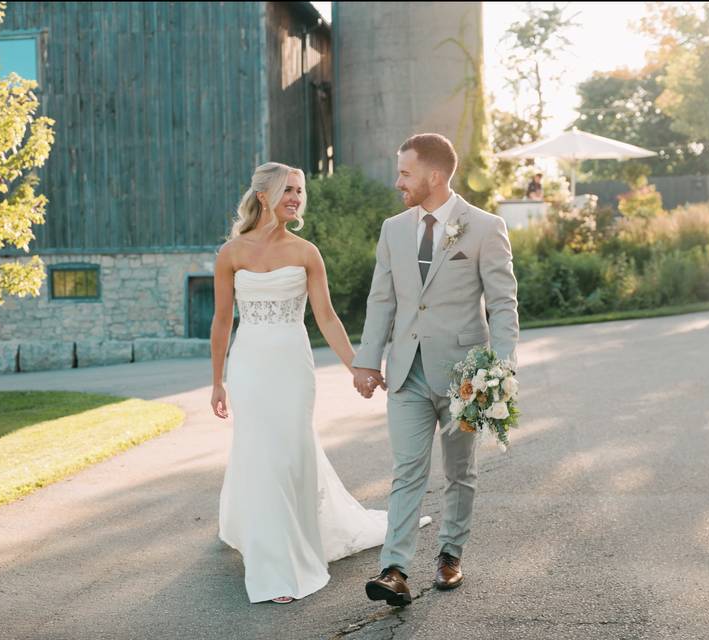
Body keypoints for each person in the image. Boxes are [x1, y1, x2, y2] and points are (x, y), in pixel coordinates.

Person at [209, 162, 430, 605]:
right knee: (260, 453)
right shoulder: (231, 253)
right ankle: (274, 562)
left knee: (290, 453)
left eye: (300, 191)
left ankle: (293, 540)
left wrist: (359, 365)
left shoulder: (306, 252)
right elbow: (221, 320)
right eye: (289, 190)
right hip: (249, 364)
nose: (296, 197)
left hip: (292, 365)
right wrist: (217, 382)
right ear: (265, 194)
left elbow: (326, 318)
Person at [352, 133, 519, 606]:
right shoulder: (393, 229)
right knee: (407, 470)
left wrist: (501, 369)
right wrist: (367, 360)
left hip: (466, 372)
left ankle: (449, 553)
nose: (397, 181)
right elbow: (381, 299)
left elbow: (503, 305)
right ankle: (394, 569)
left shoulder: (485, 227)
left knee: (460, 470)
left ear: (435, 176)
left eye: (405, 173)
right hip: (406, 371)